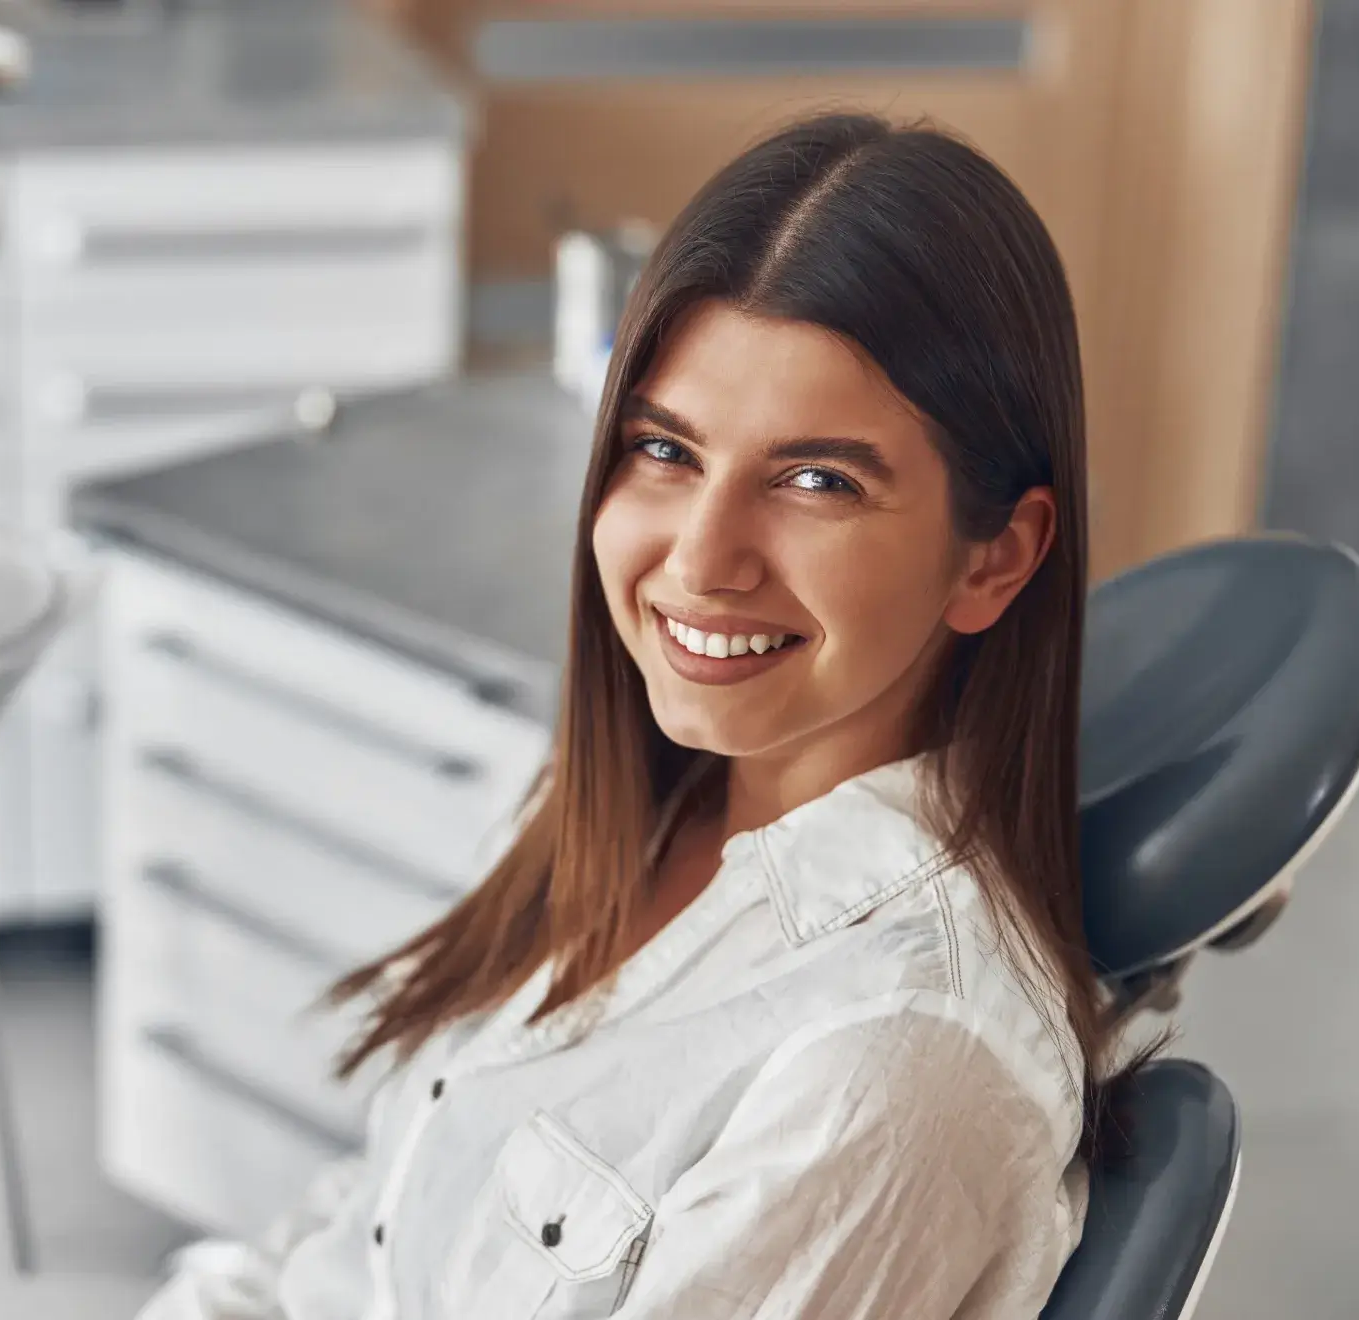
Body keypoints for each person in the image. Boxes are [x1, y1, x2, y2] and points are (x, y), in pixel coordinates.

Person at [139, 111, 1144, 1320]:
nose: (702, 562)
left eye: (816, 480)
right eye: (664, 450)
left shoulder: (893, 1064)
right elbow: (361, 1234)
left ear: (995, 557)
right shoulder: (639, 810)